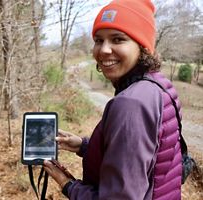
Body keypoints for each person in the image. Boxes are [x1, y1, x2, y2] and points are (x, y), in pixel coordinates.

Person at [43, 0, 182, 199]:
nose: (104, 50)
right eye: (99, 40)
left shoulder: (130, 103)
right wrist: (84, 146)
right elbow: (148, 157)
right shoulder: (158, 85)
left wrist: (68, 185)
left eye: (117, 39)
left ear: (142, 46)